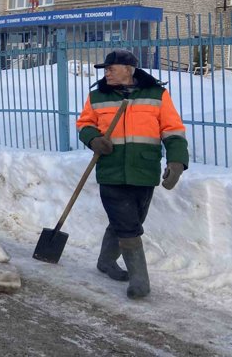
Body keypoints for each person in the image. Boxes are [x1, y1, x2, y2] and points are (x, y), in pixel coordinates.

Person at [76, 49, 188, 300]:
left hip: (143, 169)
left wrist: (177, 160)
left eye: (111, 68)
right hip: (111, 169)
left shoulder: (156, 94)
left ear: (129, 69)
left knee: (132, 219)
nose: (106, 72)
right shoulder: (97, 96)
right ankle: (140, 280)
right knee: (127, 225)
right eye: (105, 69)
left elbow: (172, 129)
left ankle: (105, 261)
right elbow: (84, 124)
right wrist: (93, 139)